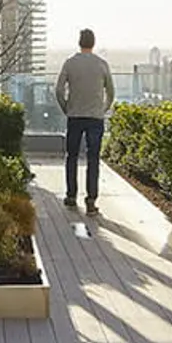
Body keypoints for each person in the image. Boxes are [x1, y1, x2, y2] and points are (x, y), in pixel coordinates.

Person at [55, 28, 114, 213]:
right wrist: (103, 109)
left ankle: (71, 196)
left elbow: (58, 90)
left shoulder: (70, 63)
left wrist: (67, 108)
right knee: (93, 158)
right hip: (95, 118)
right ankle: (91, 200)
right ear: (93, 43)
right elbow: (111, 93)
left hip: (74, 116)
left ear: (79, 42)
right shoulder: (102, 64)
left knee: (71, 156)